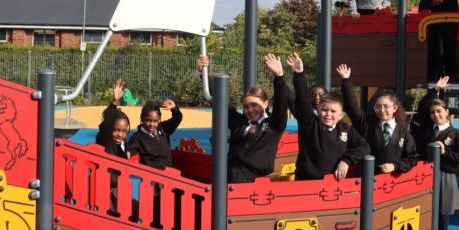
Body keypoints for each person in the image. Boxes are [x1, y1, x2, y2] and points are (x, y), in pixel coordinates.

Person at [198, 54, 288, 183]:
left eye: (254, 105)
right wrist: (203, 73)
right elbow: (221, 103)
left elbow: (281, 103)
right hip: (229, 173)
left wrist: (279, 77)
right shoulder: (240, 123)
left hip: (252, 178)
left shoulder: (274, 124)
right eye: (246, 106)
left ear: (266, 104)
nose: (250, 110)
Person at [286, 53, 370, 181]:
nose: (328, 114)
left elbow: (364, 147)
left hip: (333, 184)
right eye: (324, 110)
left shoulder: (345, 129)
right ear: (318, 110)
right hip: (306, 182)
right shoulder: (310, 124)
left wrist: (346, 161)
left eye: (333, 111)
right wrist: (299, 74)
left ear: (341, 114)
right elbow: (302, 101)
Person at [425, 95, 459, 230]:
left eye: (439, 111)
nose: (436, 115)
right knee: (427, 210)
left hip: (445, 177)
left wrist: (445, 151)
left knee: (442, 212)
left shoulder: (456, 134)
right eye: (432, 113)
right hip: (427, 175)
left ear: (446, 112)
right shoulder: (429, 132)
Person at [366, 89, 417, 174]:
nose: (382, 110)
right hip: (371, 178)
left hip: (395, 181)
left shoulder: (404, 131)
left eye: (386, 106)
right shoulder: (369, 128)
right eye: (378, 107)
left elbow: (412, 158)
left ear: (394, 108)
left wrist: (395, 166)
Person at [127, 97, 183, 170]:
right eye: (148, 120)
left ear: (159, 119)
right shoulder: (137, 137)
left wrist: (174, 108)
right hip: (153, 177)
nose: (152, 124)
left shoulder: (163, 129)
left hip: (170, 174)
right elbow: (129, 152)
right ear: (142, 119)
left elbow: (177, 119)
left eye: (155, 121)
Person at [95, 79, 131, 159]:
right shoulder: (106, 140)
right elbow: (109, 118)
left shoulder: (124, 142)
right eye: (116, 130)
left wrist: (127, 152)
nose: (119, 134)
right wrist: (114, 101)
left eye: (123, 131)